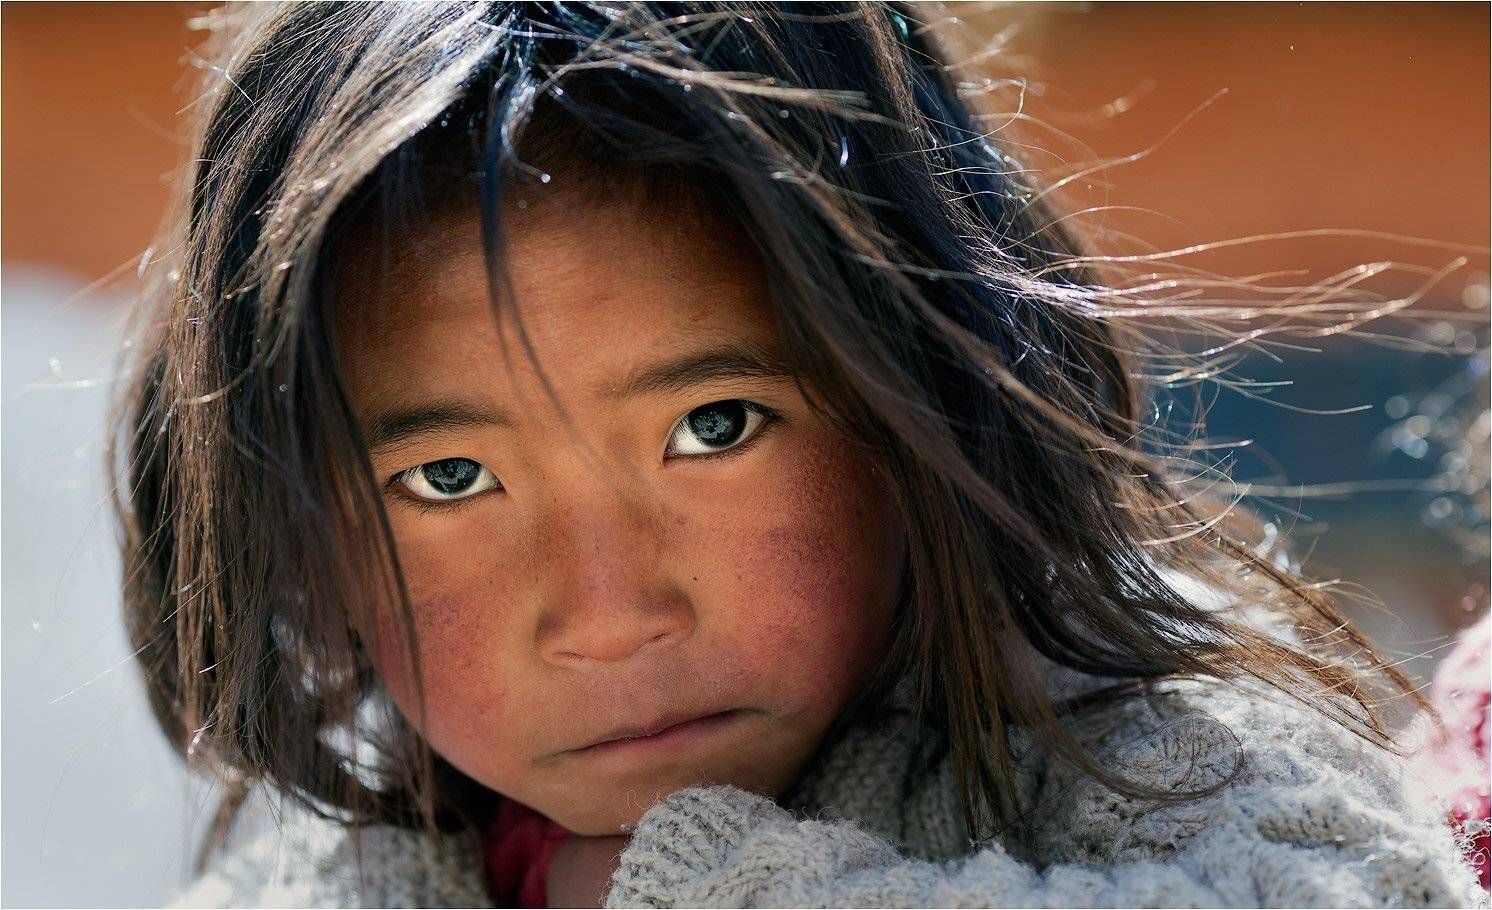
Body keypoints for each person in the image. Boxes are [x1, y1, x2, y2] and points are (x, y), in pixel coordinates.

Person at [112, 2, 1487, 906]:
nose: (609, 609)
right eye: (451, 480)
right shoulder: (338, 873)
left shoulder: (1126, 743)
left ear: (926, 394)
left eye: (714, 427)